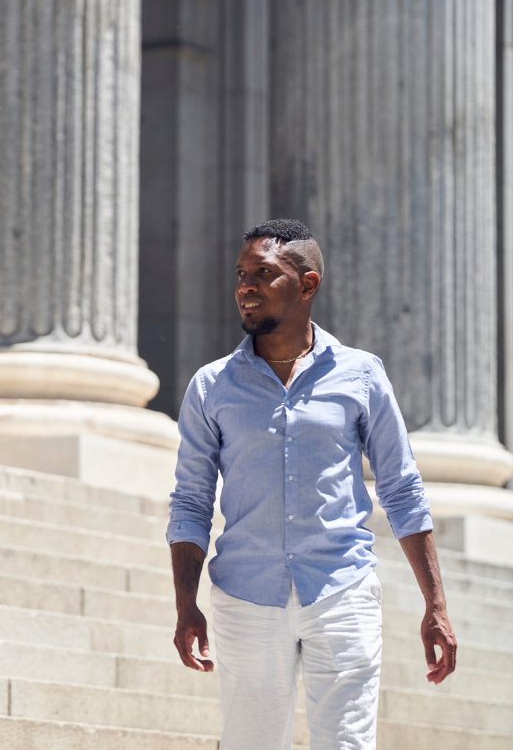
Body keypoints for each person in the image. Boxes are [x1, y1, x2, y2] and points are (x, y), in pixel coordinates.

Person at [167, 219, 458, 749]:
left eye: (263, 273)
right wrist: (186, 605)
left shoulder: (361, 375)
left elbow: (401, 487)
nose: (245, 287)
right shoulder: (212, 386)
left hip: (342, 590)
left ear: (307, 284)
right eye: (241, 274)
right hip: (245, 596)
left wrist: (435, 605)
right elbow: (191, 500)